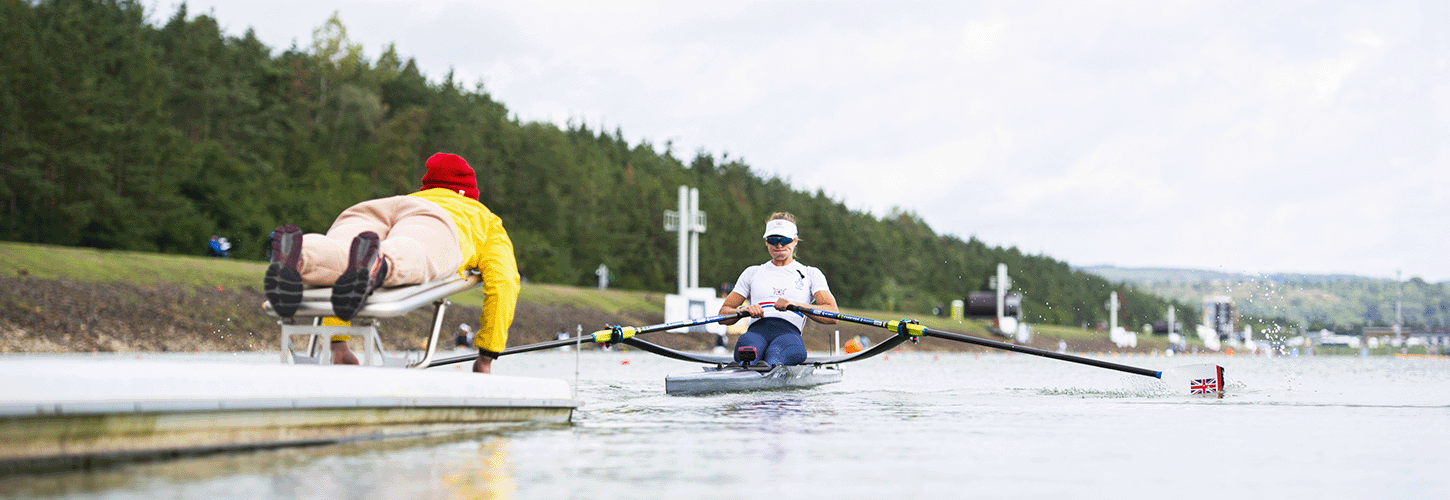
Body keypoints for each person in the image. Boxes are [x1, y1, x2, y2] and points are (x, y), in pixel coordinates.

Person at [263, 152, 521, 374]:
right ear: (470, 193)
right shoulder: (483, 217)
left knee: (342, 249)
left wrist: (338, 344)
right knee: (413, 250)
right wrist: (486, 356)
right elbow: (504, 282)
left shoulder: (414, 197)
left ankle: (300, 255)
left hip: (380, 206)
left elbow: (348, 271)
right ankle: (381, 264)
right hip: (437, 221)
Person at [718, 212, 839, 367]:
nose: (779, 245)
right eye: (773, 239)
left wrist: (796, 305)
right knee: (747, 346)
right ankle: (747, 369)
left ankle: (766, 368)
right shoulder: (752, 272)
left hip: (788, 336)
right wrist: (744, 309)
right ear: (766, 241)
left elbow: (832, 315)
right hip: (756, 333)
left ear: (795, 241)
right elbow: (723, 315)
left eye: (785, 239)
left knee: (775, 354)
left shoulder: (810, 274)